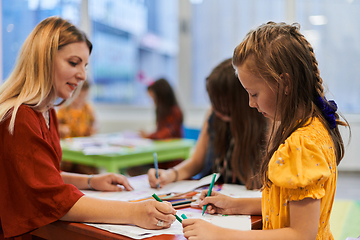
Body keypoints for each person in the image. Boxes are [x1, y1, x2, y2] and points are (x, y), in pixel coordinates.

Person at [0, 16, 176, 238]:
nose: (82, 75)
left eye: (85, 65)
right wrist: (134, 211)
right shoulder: (20, 117)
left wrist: (91, 181)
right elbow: (50, 198)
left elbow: (44, 179)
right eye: (73, 63)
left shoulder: (47, 112)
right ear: (43, 60)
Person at [182, 22, 349, 240]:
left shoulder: (301, 144)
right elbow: (285, 205)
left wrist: (219, 234)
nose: (251, 104)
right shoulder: (312, 127)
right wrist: (233, 205)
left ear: (285, 83)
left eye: (253, 94)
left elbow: (301, 234)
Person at [148, 58, 268, 190]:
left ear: (241, 99)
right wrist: (169, 174)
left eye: (222, 102)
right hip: (211, 193)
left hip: (242, 197)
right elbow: (196, 161)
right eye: (213, 101)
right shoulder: (213, 115)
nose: (215, 108)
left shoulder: (265, 119)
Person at [57, 80, 98, 174]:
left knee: (90, 167)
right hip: (68, 149)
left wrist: (93, 129)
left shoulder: (88, 108)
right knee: (68, 167)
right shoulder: (64, 109)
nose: (81, 99)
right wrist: (61, 128)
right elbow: (54, 126)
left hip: (84, 147)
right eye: (79, 96)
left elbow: (95, 123)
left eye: (84, 96)